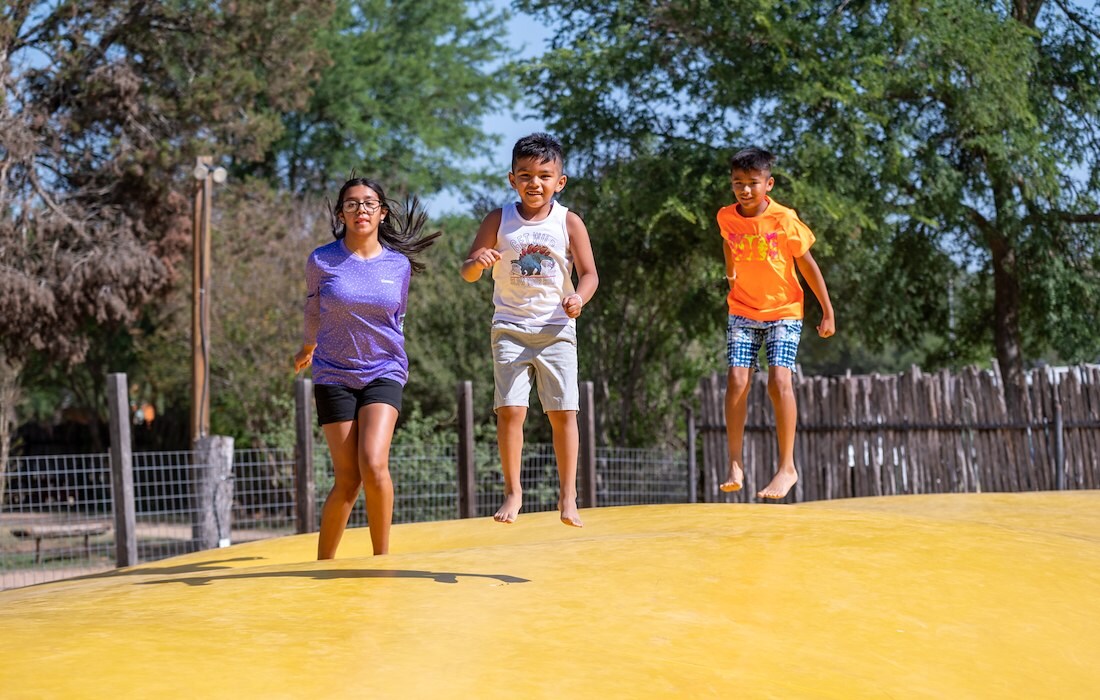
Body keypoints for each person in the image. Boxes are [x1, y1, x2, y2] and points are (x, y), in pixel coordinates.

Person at [294, 177, 440, 558]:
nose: (361, 210)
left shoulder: (399, 265)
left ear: (382, 212)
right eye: (352, 204)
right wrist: (308, 347)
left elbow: (398, 317)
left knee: (373, 463)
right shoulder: (322, 260)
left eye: (369, 203)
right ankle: (323, 564)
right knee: (347, 479)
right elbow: (313, 310)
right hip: (332, 373)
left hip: (384, 370)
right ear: (341, 212)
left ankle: (382, 559)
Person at [460, 133, 599, 527]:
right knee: (510, 411)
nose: (533, 183)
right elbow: (468, 272)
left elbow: (589, 275)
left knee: (563, 413)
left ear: (560, 181)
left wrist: (580, 299)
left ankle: (568, 496)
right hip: (509, 327)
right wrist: (478, 261)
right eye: (525, 175)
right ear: (512, 179)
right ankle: (514, 492)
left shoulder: (568, 221)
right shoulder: (498, 220)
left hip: (556, 329)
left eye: (543, 175)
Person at [717, 147, 835, 500]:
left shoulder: (785, 219)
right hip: (742, 308)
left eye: (753, 183)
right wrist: (730, 274)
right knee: (737, 379)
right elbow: (727, 243)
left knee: (778, 380)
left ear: (769, 184)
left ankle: (787, 467)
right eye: (739, 183)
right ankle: (735, 463)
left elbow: (808, 265)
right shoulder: (726, 216)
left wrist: (827, 310)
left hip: (784, 310)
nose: (745, 190)